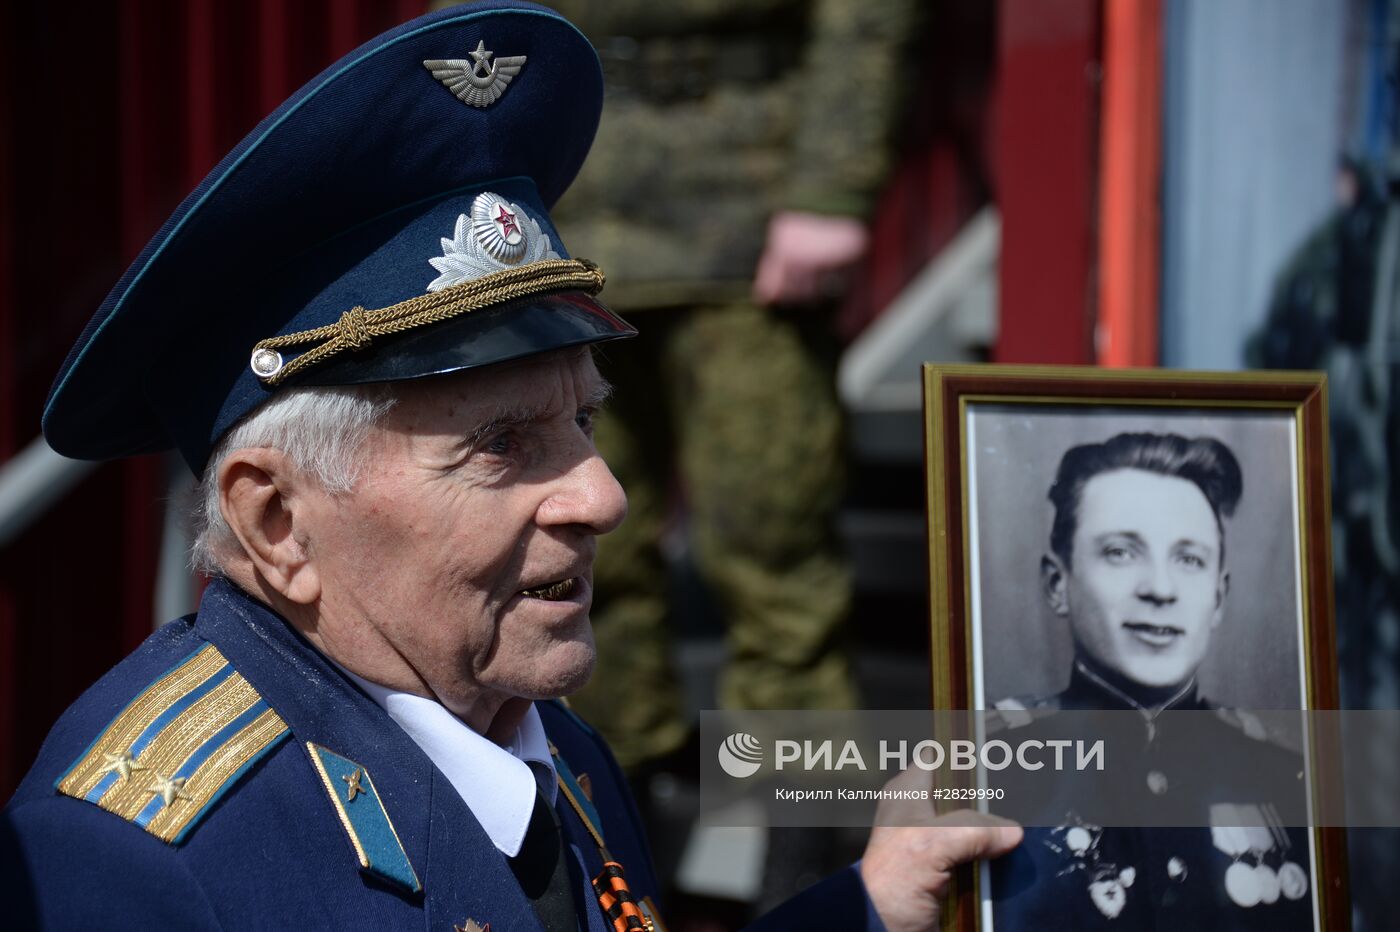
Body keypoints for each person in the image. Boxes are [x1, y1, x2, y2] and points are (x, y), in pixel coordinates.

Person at [0, 4, 1019, 929]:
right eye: (500, 444)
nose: (604, 494)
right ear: (275, 522)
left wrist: (867, 905)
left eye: (583, 419)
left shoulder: (543, 741)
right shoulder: (142, 855)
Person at [538, 0, 922, 774]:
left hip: (749, 209)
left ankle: (799, 838)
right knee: (575, 551)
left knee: (773, 545)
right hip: (570, 205)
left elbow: (864, 16)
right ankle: (609, 820)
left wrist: (830, 187)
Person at [989, 432, 1314, 930]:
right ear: (1059, 585)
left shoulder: (1287, 774)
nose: (1161, 589)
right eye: (1121, 552)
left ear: (1219, 598)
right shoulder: (990, 768)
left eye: (1189, 560)